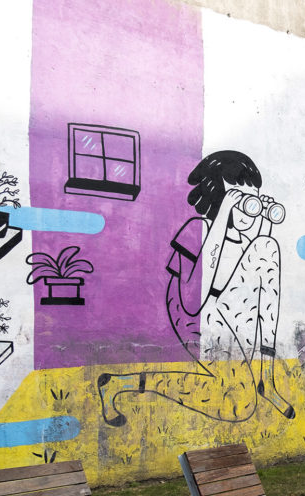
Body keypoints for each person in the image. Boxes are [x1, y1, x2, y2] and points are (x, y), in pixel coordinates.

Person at [98, 151, 293, 426]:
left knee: (268, 247)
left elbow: (255, 286)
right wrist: (224, 213)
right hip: (195, 313)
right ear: (217, 196)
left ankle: (267, 379)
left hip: (227, 312)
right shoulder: (195, 229)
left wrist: (264, 223)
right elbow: (195, 295)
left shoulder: (247, 241)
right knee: (240, 406)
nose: (245, 208)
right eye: (237, 198)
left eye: (251, 200)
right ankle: (119, 385)